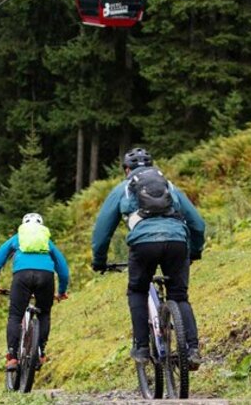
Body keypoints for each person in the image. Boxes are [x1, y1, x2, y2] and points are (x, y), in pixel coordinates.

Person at [91, 147, 205, 366]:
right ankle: (192, 349)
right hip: (177, 243)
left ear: (126, 169)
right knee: (179, 296)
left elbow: (102, 232)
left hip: (143, 246)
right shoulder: (170, 187)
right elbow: (197, 224)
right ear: (152, 165)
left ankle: (142, 348)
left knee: (137, 290)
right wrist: (195, 251)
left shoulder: (123, 189)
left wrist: (99, 261)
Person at [0, 213, 70, 371]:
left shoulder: (17, 238)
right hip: (46, 276)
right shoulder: (47, 241)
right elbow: (63, 269)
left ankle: (12, 357)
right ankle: (40, 352)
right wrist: (61, 291)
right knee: (44, 313)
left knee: (15, 315)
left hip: (22, 276)